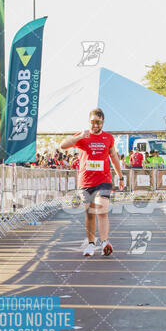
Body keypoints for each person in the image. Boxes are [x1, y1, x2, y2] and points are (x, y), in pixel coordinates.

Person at [60, 108, 124, 257]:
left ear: (103, 122)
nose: (96, 125)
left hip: (104, 180)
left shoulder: (108, 138)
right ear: (89, 122)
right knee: (90, 213)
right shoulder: (83, 136)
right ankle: (90, 244)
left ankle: (104, 242)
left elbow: (114, 157)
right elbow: (63, 145)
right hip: (86, 181)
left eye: (99, 122)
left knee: (101, 208)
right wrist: (80, 136)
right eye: (93, 122)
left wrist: (120, 176)